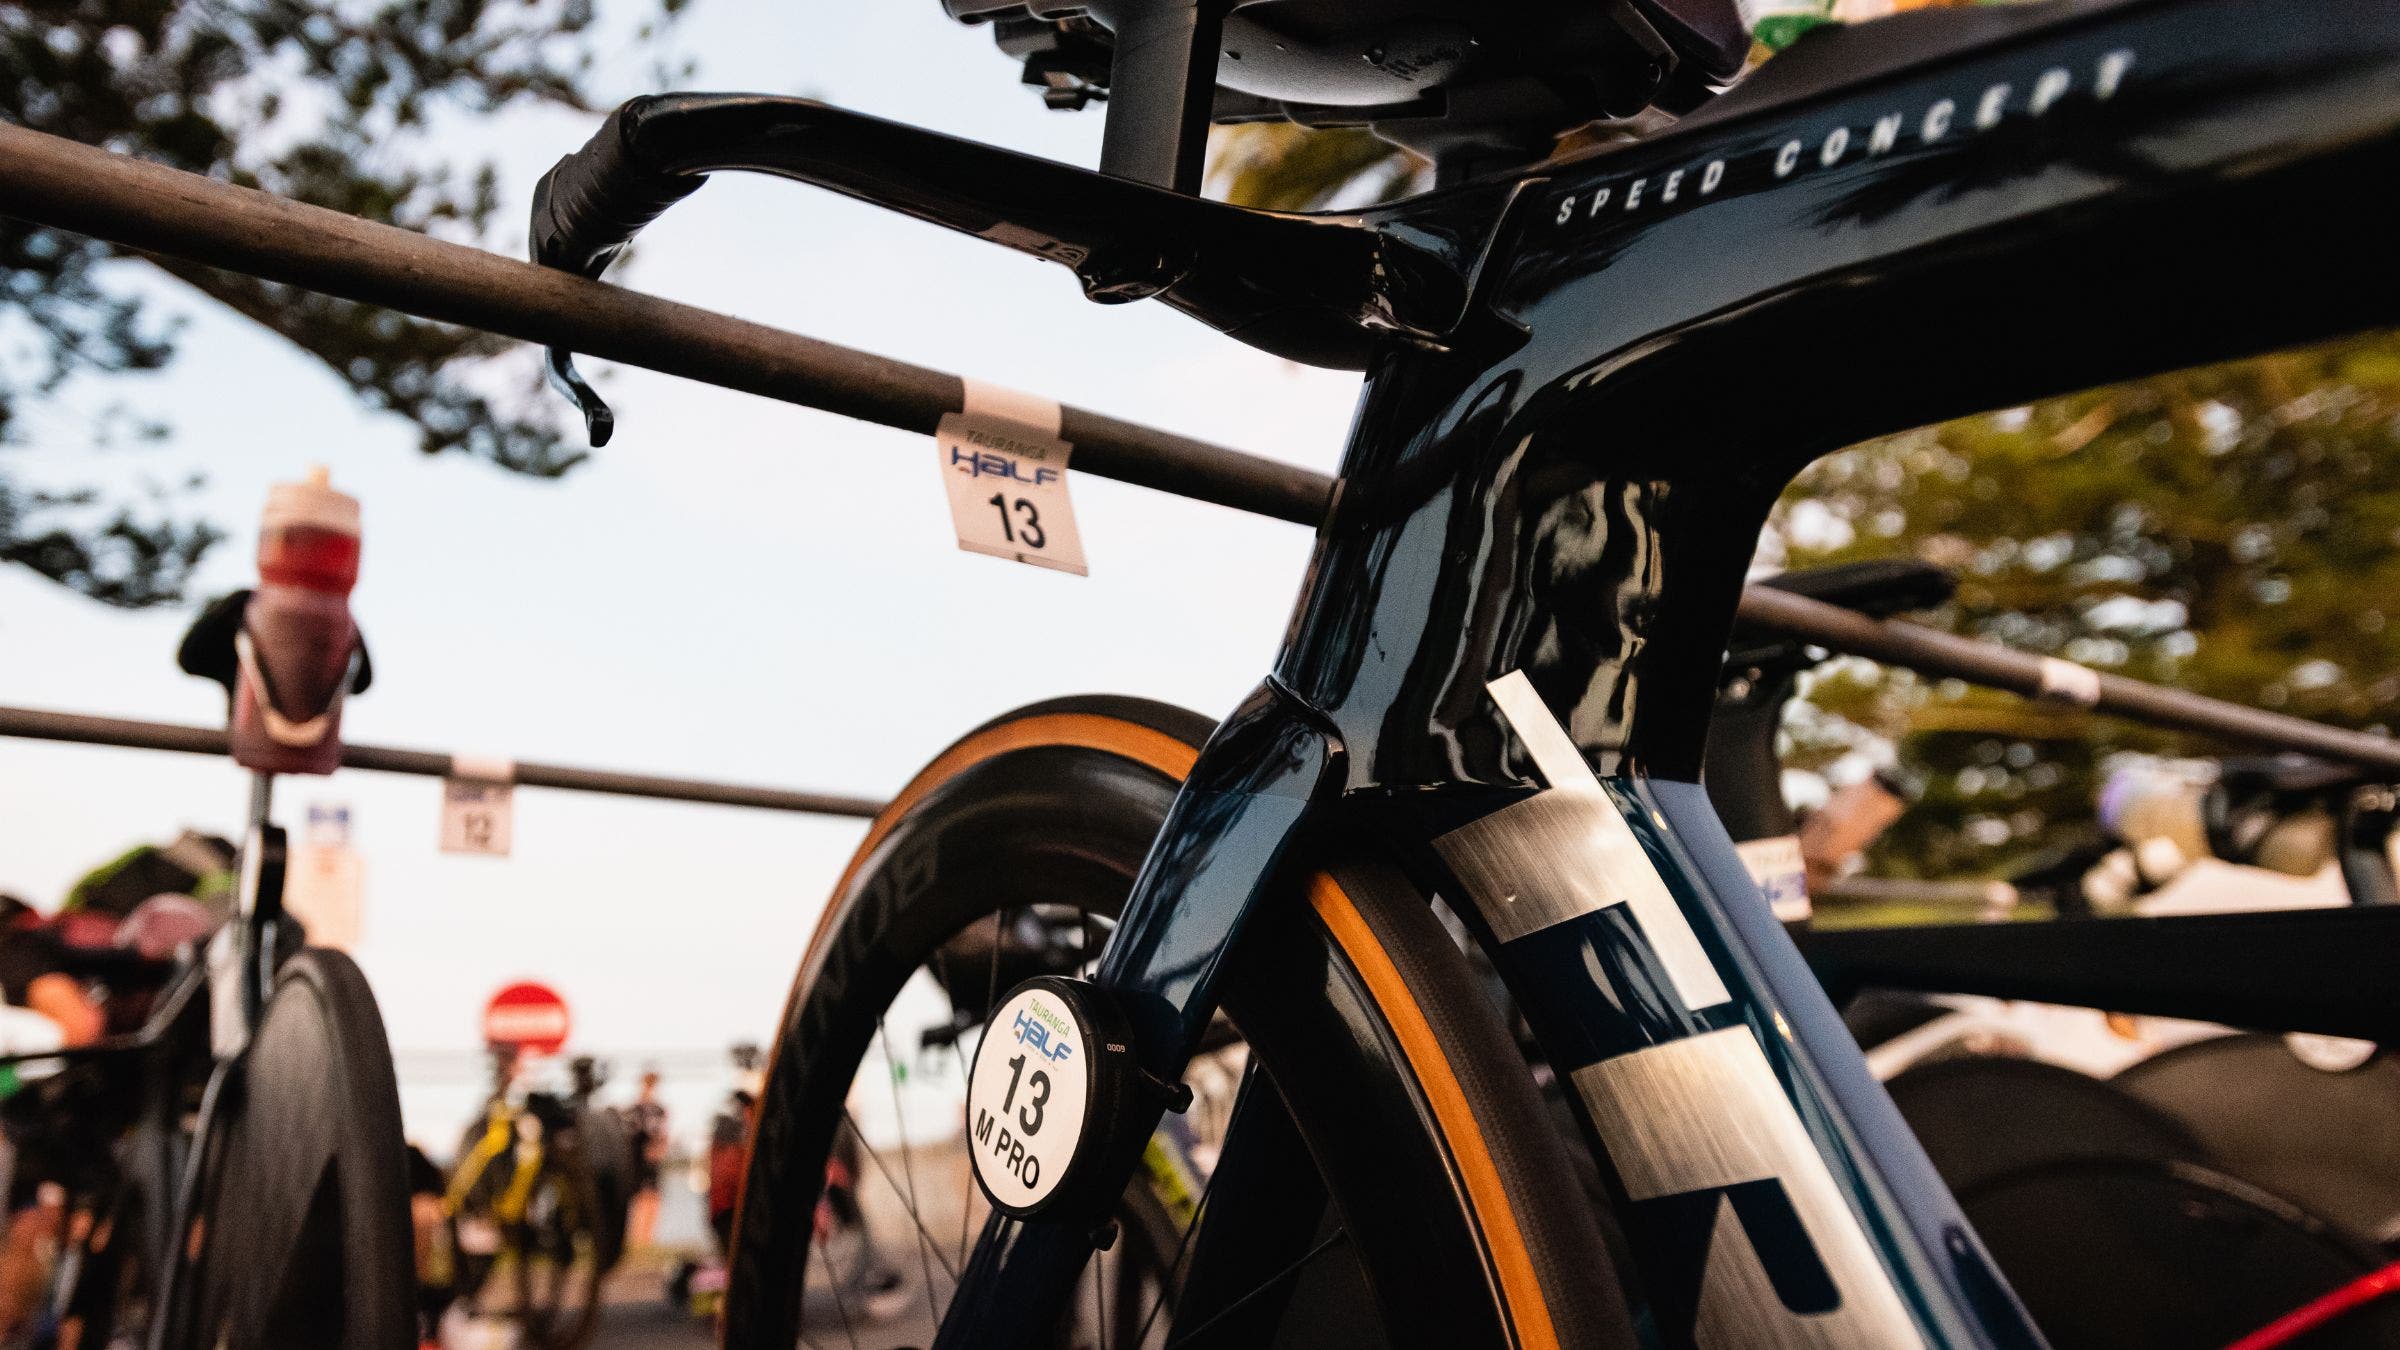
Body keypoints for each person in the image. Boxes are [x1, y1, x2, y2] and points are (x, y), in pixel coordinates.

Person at [624, 1068, 668, 1249]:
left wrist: (659, 1149)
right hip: (637, 1158)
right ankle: (638, 1237)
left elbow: (663, 1134)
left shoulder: (658, 1109)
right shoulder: (635, 1109)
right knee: (638, 1197)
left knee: (652, 1196)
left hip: (652, 1159)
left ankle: (647, 1237)